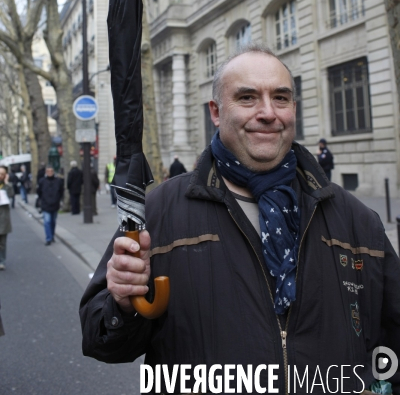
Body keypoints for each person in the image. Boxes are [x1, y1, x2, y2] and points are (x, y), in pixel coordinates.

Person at [80, 44, 400, 394]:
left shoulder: (356, 220)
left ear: (293, 108)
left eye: (280, 98)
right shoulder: (159, 214)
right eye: (247, 98)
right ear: (216, 111)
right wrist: (123, 305)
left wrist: (380, 386)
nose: (267, 112)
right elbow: (102, 342)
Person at [37, 165, 64, 245]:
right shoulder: (42, 181)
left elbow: (61, 191)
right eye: (48, 171)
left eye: (51, 171)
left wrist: (59, 200)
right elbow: (39, 192)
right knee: (47, 221)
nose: (50, 173)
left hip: (55, 204)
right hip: (45, 204)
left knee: (53, 221)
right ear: (46, 172)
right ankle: (48, 238)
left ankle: (52, 236)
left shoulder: (58, 181)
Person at [0, 166, 14, 270]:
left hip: (3, 218)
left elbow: (11, 194)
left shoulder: (7, 185)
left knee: (2, 242)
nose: (0, 175)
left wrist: (7, 182)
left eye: (2, 174)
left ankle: (2, 261)